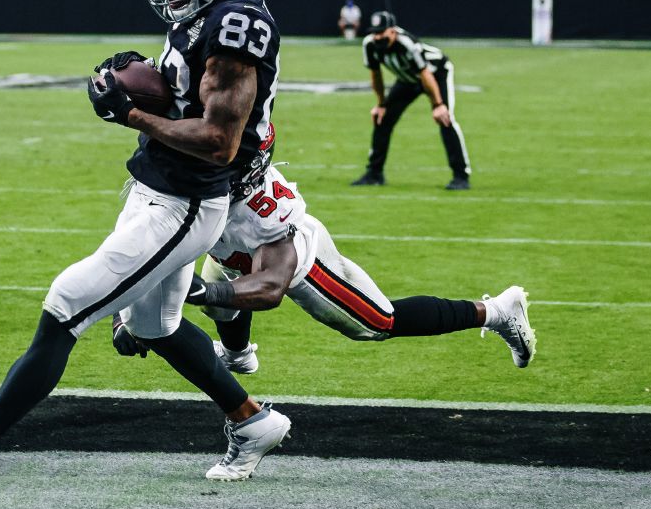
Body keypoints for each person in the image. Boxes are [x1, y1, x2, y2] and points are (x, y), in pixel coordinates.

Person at [0, 0, 291, 503]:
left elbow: (217, 140)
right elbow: (187, 92)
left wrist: (131, 111)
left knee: (66, 304)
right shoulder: (208, 10)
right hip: (159, 184)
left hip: (185, 203)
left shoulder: (237, 28)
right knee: (156, 325)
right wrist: (145, 77)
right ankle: (251, 419)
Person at [113, 142, 534, 372]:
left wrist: (204, 292)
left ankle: (497, 311)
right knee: (221, 302)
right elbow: (138, 251)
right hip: (233, 250)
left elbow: (270, 286)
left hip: (294, 262)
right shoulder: (177, 186)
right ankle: (239, 355)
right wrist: (124, 316)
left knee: (376, 324)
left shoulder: (263, 212)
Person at [352, 11, 472, 190]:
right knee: (382, 118)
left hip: (436, 73)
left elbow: (425, 73)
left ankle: (461, 176)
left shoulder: (406, 43)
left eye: (382, 32)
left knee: (445, 119)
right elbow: (375, 75)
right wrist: (381, 104)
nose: (378, 37)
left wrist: (438, 105)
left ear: (393, 31)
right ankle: (374, 174)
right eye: (375, 32)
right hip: (408, 79)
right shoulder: (369, 44)